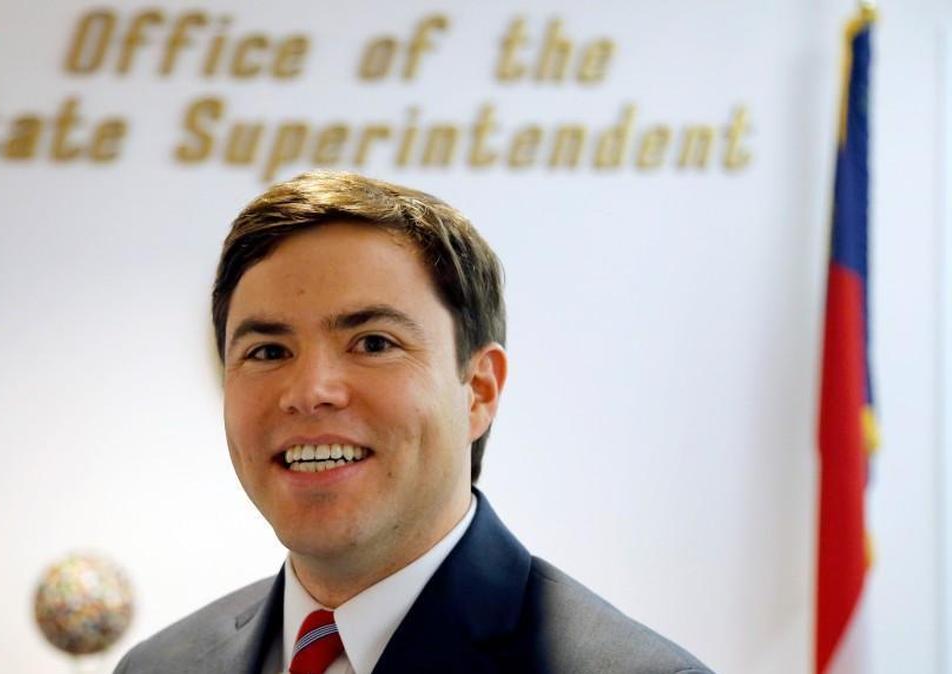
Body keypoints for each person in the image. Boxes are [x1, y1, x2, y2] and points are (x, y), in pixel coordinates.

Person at [115, 171, 712, 674]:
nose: (310, 392)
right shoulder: (161, 665)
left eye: (372, 343)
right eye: (268, 351)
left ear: (478, 390)